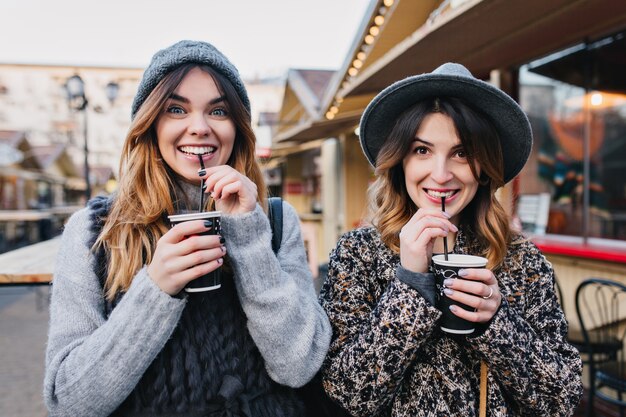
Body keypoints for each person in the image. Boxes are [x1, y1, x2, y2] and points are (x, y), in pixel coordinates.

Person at [44, 40, 331, 417]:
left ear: (237, 128)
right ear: (150, 124)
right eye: (176, 109)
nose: (199, 128)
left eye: (218, 110)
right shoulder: (93, 231)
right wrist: (155, 289)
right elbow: (69, 403)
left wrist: (247, 237)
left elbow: (299, 366)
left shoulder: (275, 221)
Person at [318, 63, 583, 416]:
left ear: (484, 166)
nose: (441, 175)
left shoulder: (521, 260)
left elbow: (561, 399)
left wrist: (497, 321)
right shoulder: (358, 254)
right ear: (400, 161)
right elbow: (347, 393)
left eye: (462, 153)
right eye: (422, 150)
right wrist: (410, 285)